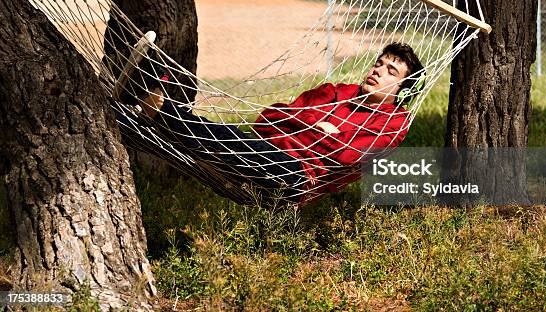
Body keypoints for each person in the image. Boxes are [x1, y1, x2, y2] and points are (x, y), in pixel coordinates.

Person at [117, 42, 424, 203]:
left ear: (401, 88)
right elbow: (272, 116)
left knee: (229, 141)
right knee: (226, 140)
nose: (378, 71)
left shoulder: (392, 124)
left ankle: (158, 105)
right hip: (259, 151)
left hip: (295, 180)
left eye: (391, 72)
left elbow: (344, 156)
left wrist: (303, 124)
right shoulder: (334, 92)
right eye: (378, 63)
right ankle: (127, 113)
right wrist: (316, 125)